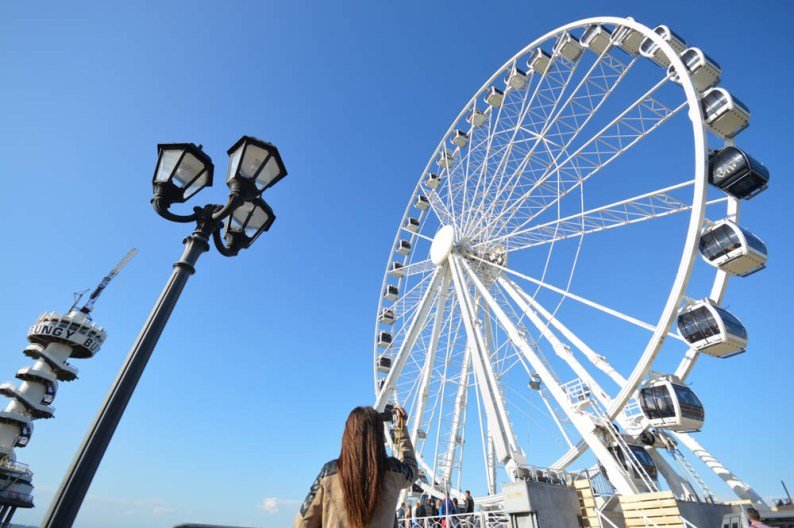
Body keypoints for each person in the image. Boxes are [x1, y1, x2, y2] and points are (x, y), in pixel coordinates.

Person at [293, 405, 417, 528]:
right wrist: (401, 430)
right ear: (379, 437)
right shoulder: (393, 471)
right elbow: (411, 468)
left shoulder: (330, 472)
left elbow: (303, 522)